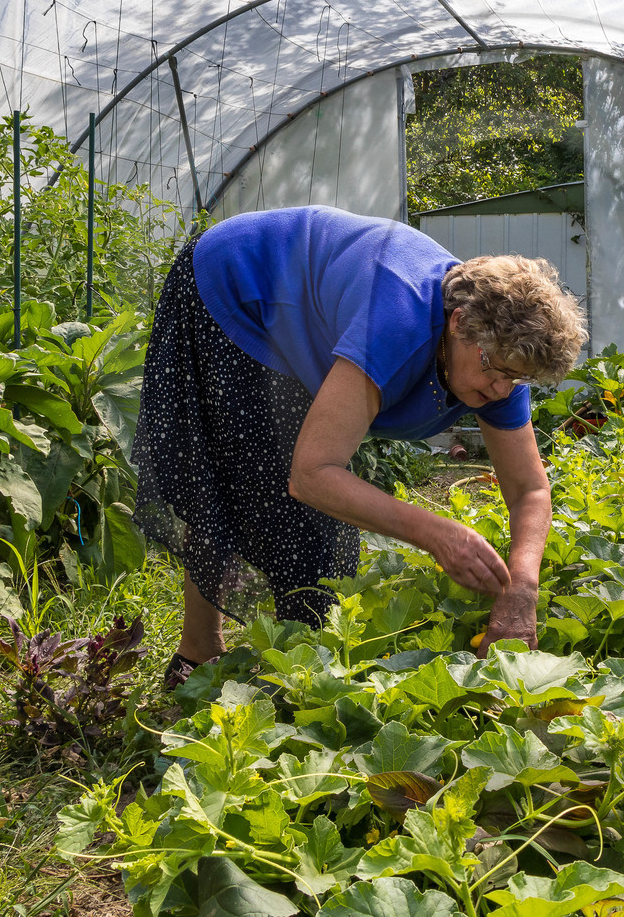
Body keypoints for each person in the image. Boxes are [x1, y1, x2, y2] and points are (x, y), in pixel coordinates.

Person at [131, 205, 588, 689]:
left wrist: (522, 588)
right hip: (235, 285)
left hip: (308, 311)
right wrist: (439, 534)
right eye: (495, 370)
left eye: (515, 379)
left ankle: (295, 676)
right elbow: (312, 475)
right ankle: (203, 658)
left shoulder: (497, 359)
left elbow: (529, 490)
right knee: (263, 500)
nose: (501, 389)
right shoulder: (397, 321)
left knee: (315, 533)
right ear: (457, 324)